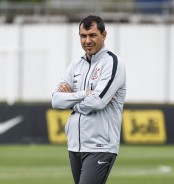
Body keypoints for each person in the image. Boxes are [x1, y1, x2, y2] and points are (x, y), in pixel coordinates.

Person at [51, 15, 126, 184]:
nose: (87, 40)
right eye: (83, 36)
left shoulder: (113, 63)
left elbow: (98, 102)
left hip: (100, 146)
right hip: (75, 146)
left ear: (104, 35)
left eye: (92, 35)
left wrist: (70, 101)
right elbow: (55, 100)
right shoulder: (76, 65)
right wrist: (84, 94)